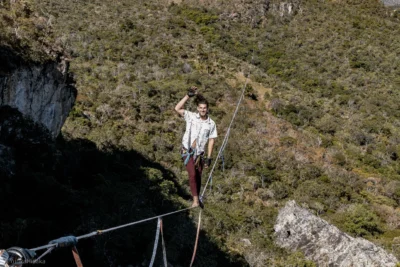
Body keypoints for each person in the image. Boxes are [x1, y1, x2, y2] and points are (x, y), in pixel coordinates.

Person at [174, 86, 217, 208]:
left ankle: (198, 199)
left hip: (199, 155)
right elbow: (177, 108)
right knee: (192, 174)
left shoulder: (211, 123)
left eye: (204, 108)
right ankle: (195, 201)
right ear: (197, 108)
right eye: (201, 108)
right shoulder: (191, 116)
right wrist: (188, 96)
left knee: (198, 176)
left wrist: (209, 157)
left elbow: (211, 140)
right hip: (187, 151)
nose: (203, 110)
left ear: (207, 109)